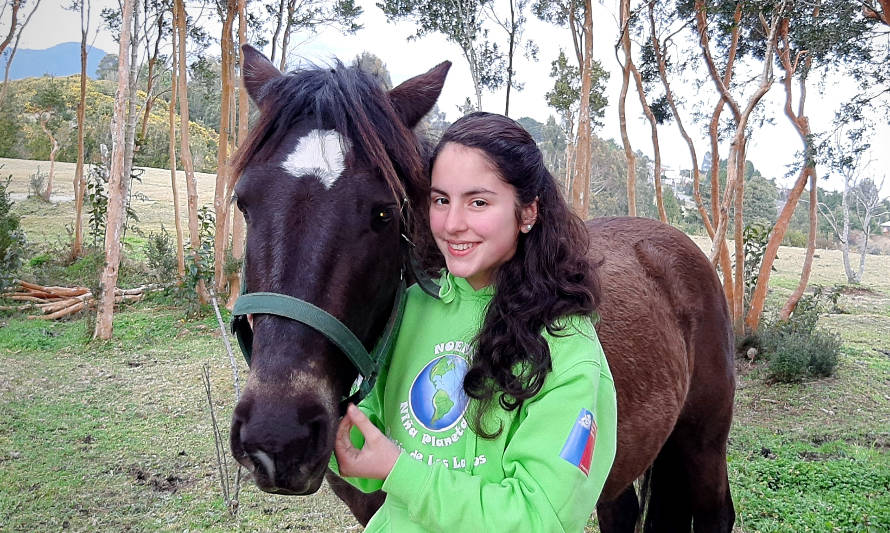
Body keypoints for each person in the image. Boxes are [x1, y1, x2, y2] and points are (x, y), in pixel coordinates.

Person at [331, 112, 617, 532]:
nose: (451, 224)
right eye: (441, 199)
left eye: (478, 202)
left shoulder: (567, 348)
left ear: (527, 213)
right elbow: (367, 447)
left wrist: (402, 471)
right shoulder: (410, 306)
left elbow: (540, 519)